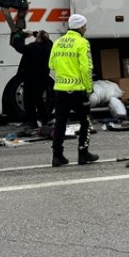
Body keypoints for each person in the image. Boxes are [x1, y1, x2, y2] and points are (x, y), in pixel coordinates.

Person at [48, 14, 98, 166]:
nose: (86, 29)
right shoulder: (82, 42)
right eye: (85, 26)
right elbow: (86, 67)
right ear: (81, 27)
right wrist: (89, 88)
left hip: (60, 90)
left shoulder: (58, 42)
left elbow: (51, 65)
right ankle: (83, 153)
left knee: (60, 123)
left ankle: (57, 156)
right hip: (78, 91)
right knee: (86, 122)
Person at [9, 28, 54, 129]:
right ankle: (45, 120)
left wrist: (19, 35)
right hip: (43, 79)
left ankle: (32, 122)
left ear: (39, 39)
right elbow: (48, 40)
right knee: (39, 100)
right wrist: (35, 34)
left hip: (31, 79)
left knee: (29, 101)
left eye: (37, 37)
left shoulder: (33, 47)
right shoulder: (49, 46)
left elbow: (18, 47)